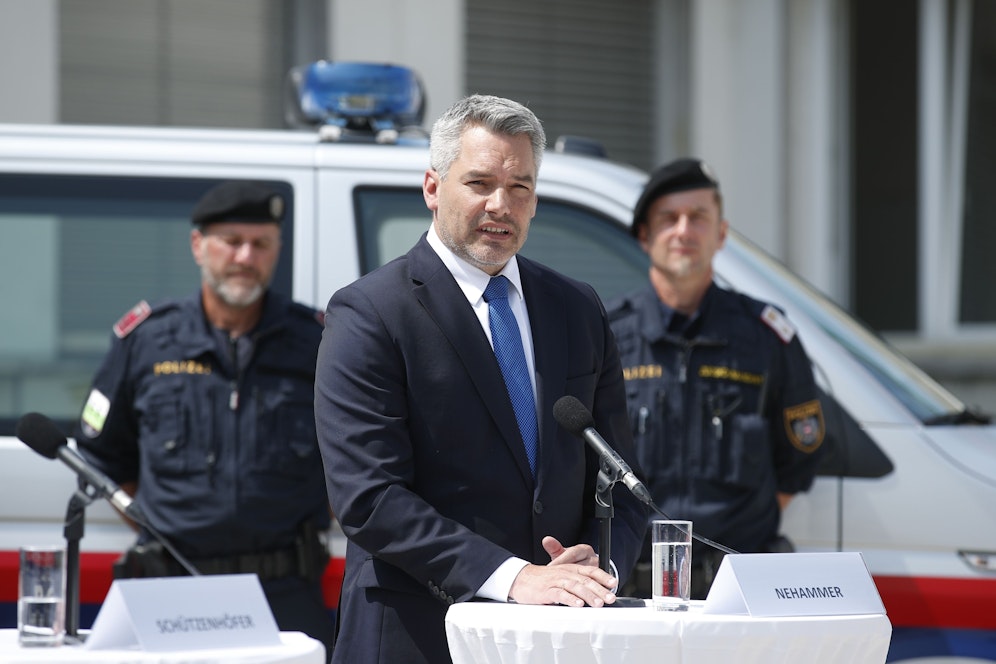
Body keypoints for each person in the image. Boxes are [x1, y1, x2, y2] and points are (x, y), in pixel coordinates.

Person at [314, 94, 648, 664]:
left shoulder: (577, 308)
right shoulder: (370, 313)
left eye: (520, 187)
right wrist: (515, 577)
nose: (501, 205)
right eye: (479, 183)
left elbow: (619, 474)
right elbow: (369, 498)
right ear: (432, 187)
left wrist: (597, 569)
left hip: (559, 640)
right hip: (418, 636)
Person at [74, 180, 336, 658]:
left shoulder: (317, 343)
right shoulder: (147, 341)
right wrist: (162, 530)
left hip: (285, 591)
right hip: (169, 590)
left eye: (260, 243)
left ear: (277, 250)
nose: (245, 257)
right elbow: (101, 458)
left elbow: (354, 456)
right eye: (231, 241)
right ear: (198, 245)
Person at [608, 158, 826, 599]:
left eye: (698, 217)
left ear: (721, 234)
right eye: (669, 218)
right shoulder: (607, 335)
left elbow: (800, 457)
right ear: (645, 236)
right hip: (631, 593)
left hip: (740, 591)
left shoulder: (766, 337)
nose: (683, 231)